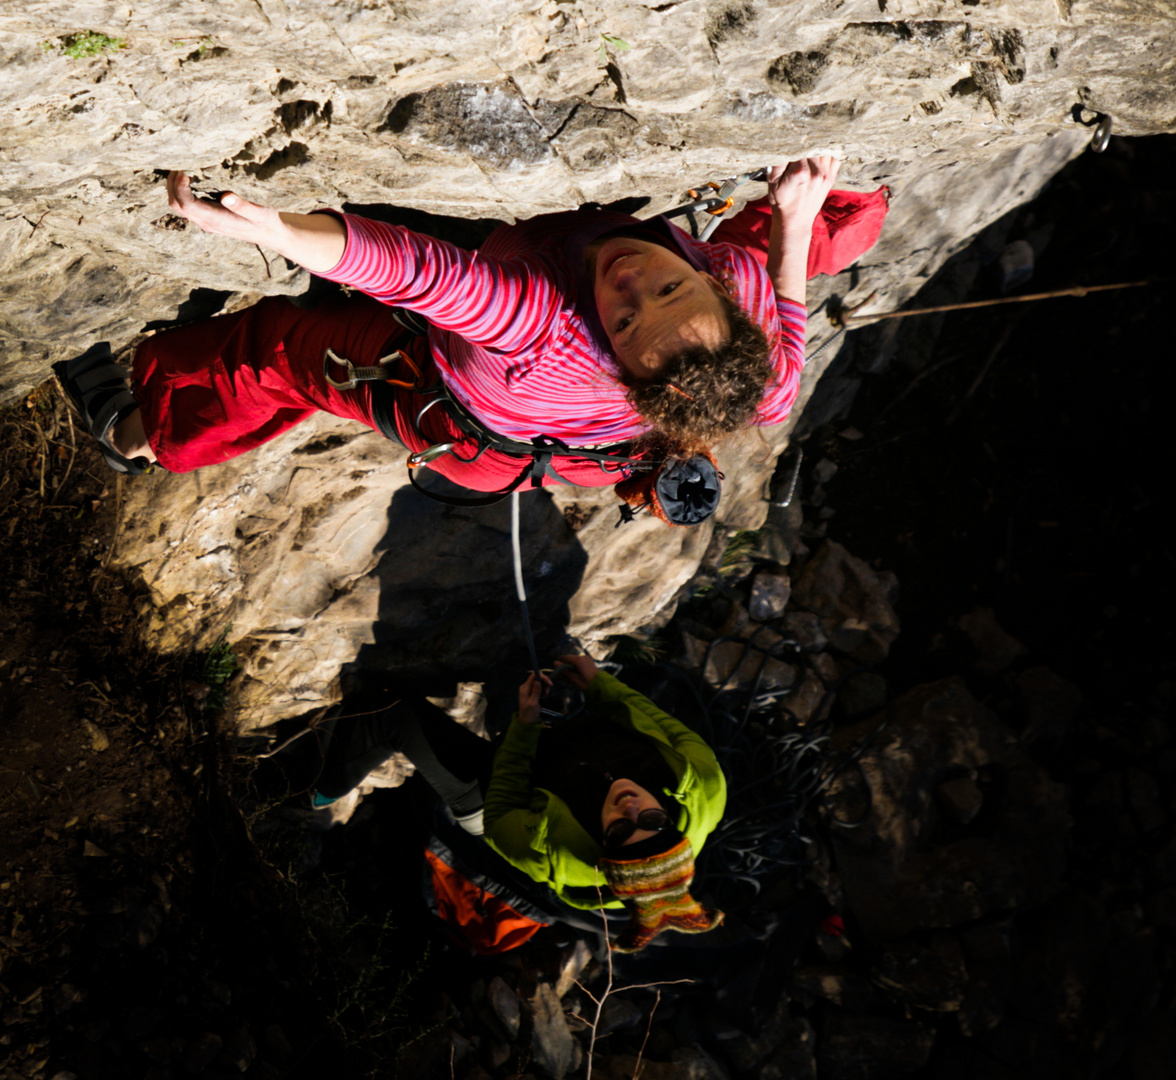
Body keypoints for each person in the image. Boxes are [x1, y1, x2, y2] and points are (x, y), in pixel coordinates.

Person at [54, 159, 884, 513]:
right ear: (716, 291)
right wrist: (800, 214)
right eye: (670, 284)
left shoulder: (547, 330)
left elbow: (422, 275)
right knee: (821, 230)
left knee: (276, 352)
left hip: (461, 419)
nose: (633, 278)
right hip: (580, 446)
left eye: (627, 318)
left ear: (620, 361)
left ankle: (133, 436)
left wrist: (274, 230)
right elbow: (783, 368)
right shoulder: (753, 355)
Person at [305, 654, 727, 952]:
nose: (631, 808)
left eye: (619, 830)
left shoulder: (554, 856)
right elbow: (657, 721)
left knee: (393, 711)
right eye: (652, 820)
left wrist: (524, 727)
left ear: (603, 852)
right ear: (670, 822)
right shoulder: (703, 783)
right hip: (574, 757)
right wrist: (600, 685)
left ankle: (312, 791)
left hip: (499, 809)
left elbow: (503, 803)